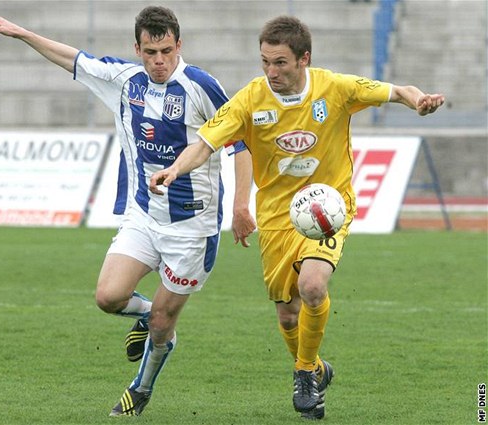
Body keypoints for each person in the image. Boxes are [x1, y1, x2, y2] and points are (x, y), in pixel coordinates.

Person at [149, 15, 444, 420]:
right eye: (265, 62)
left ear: (304, 59)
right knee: (288, 313)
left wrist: (419, 101)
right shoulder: (250, 100)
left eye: (281, 63)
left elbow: (398, 91)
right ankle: (317, 366)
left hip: (327, 207)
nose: (271, 72)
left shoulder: (336, 88)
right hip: (275, 217)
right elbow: (204, 144)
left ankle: (304, 372)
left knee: (313, 285)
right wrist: (174, 170)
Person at [0, 6, 255, 417]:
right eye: (150, 52)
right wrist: (21, 33)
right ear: (137, 49)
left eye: (165, 51)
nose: (158, 61)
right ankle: (148, 318)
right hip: (143, 217)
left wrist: (240, 206)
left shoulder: (201, 86)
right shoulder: (125, 82)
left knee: (165, 323)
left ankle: (140, 388)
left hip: (193, 229)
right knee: (108, 297)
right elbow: (71, 58)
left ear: (179, 45)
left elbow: (241, 142)